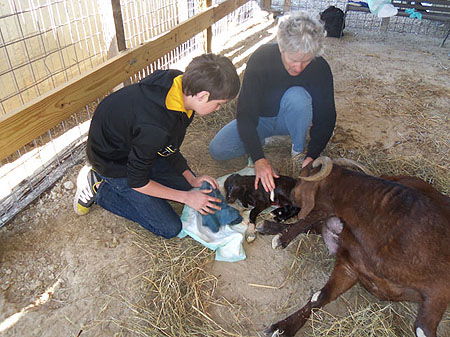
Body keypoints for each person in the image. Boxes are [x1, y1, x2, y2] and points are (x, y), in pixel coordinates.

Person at [73, 53, 240, 239]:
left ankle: (176, 182)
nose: (218, 109)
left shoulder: (181, 87)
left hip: (139, 148)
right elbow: (137, 181)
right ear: (203, 96)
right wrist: (186, 198)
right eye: (218, 104)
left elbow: (169, 145)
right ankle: (99, 188)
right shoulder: (155, 127)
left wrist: (191, 179)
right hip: (113, 164)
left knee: (188, 186)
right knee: (169, 227)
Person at [209, 11, 336, 193]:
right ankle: (269, 139)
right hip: (262, 120)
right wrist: (258, 158)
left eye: (306, 60)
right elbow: (245, 113)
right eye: (293, 60)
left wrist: (312, 155)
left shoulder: (320, 67)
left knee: (297, 96)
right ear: (281, 48)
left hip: (292, 118)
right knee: (218, 149)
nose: (298, 67)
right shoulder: (261, 59)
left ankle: (297, 149)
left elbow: (327, 116)